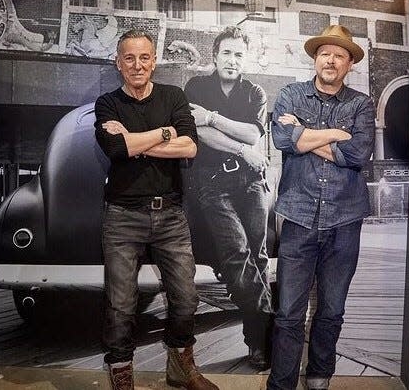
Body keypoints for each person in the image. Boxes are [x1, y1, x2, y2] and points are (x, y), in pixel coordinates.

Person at [94, 29, 219, 390]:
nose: (137, 65)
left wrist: (137, 141)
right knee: (120, 305)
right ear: (118, 63)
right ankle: (121, 375)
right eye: (129, 58)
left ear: (154, 60)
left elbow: (190, 148)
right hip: (122, 216)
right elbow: (116, 150)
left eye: (144, 57)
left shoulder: (173, 96)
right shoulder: (107, 103)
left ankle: (181, 368)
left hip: (171, 216)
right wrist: (165, 133)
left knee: (186, 298)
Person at [266, 25, 375, 390]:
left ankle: (318, 381)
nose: (331, 60)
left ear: (349, 65)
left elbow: (358, 153)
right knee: (288, 314)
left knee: (331, 312)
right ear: (315, 58)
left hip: (345, 221)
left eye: (339, 55)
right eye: (325, 53)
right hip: (298, 218)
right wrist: (334, 134)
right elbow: (282, 137)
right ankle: (281, 385)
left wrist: (305, 135)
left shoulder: (361, 103)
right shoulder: (291, 94)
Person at [182, 26, 272, 369]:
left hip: (251, 182)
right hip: (212, 182)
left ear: (244, 59)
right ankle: (272, 325)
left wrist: (214, 118)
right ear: (214, 56)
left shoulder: (254, 92)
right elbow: (199, 133)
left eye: (238, 54)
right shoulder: (196, 87)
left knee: (259, 257)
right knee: (236, 254)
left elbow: (253, 133)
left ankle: (257, 344)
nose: (232, 60)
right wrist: (240, 147)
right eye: (226, 53)